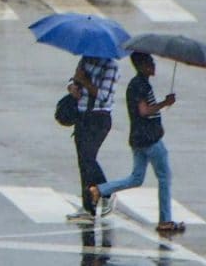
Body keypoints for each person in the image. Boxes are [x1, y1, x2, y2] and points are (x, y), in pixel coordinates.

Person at [89, 52, 184, 234]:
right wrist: (165, 102)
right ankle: (165, 220)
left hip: (138, 138)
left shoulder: (139, 84)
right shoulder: (139, 85)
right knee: (164, 178)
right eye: (149, 63)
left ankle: (99, 190)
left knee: (136, 178)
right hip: (150, 139)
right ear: (141, 65)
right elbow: (144, 111)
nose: (153, 65)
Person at [65, 55, 119, 222]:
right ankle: (88, 207)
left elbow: (104, 96)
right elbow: (74, 82)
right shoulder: (85, 60)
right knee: (83, 162)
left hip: (99, 117)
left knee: (89, 158)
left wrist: (86, 82)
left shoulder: (110, 66)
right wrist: (73, 86)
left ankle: (107, 192)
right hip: (82, 116)